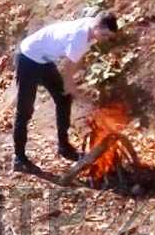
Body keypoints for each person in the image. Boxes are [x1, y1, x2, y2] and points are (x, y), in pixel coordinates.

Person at [12, 12, 119, 174]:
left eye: (108, 37)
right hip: (28, 57)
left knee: (63, 99)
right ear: (97, 27)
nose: (105, 39)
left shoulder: (92, 28)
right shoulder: (79, 37)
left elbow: (76, 58)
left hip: (44, 60)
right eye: (105, 35)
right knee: (25, 110)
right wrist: (71, 86)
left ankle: (64, 147)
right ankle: (19, 158)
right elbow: (68, 68)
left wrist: (71, 87)